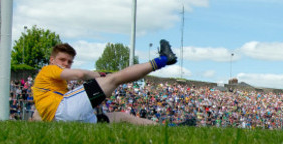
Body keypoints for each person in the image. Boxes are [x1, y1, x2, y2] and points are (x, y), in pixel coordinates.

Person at [32, 39, 177, 124]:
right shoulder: (48, 69)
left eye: (69, 61)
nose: (65, 64)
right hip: (65, 112)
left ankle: (166, 128)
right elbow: (80, 74)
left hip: (65, 119)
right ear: (52, 60)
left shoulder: (48, 88)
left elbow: (38, 115)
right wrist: (100, 75)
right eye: (62, 60)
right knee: (114, 79)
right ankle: (163, 59)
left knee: (121, 117)